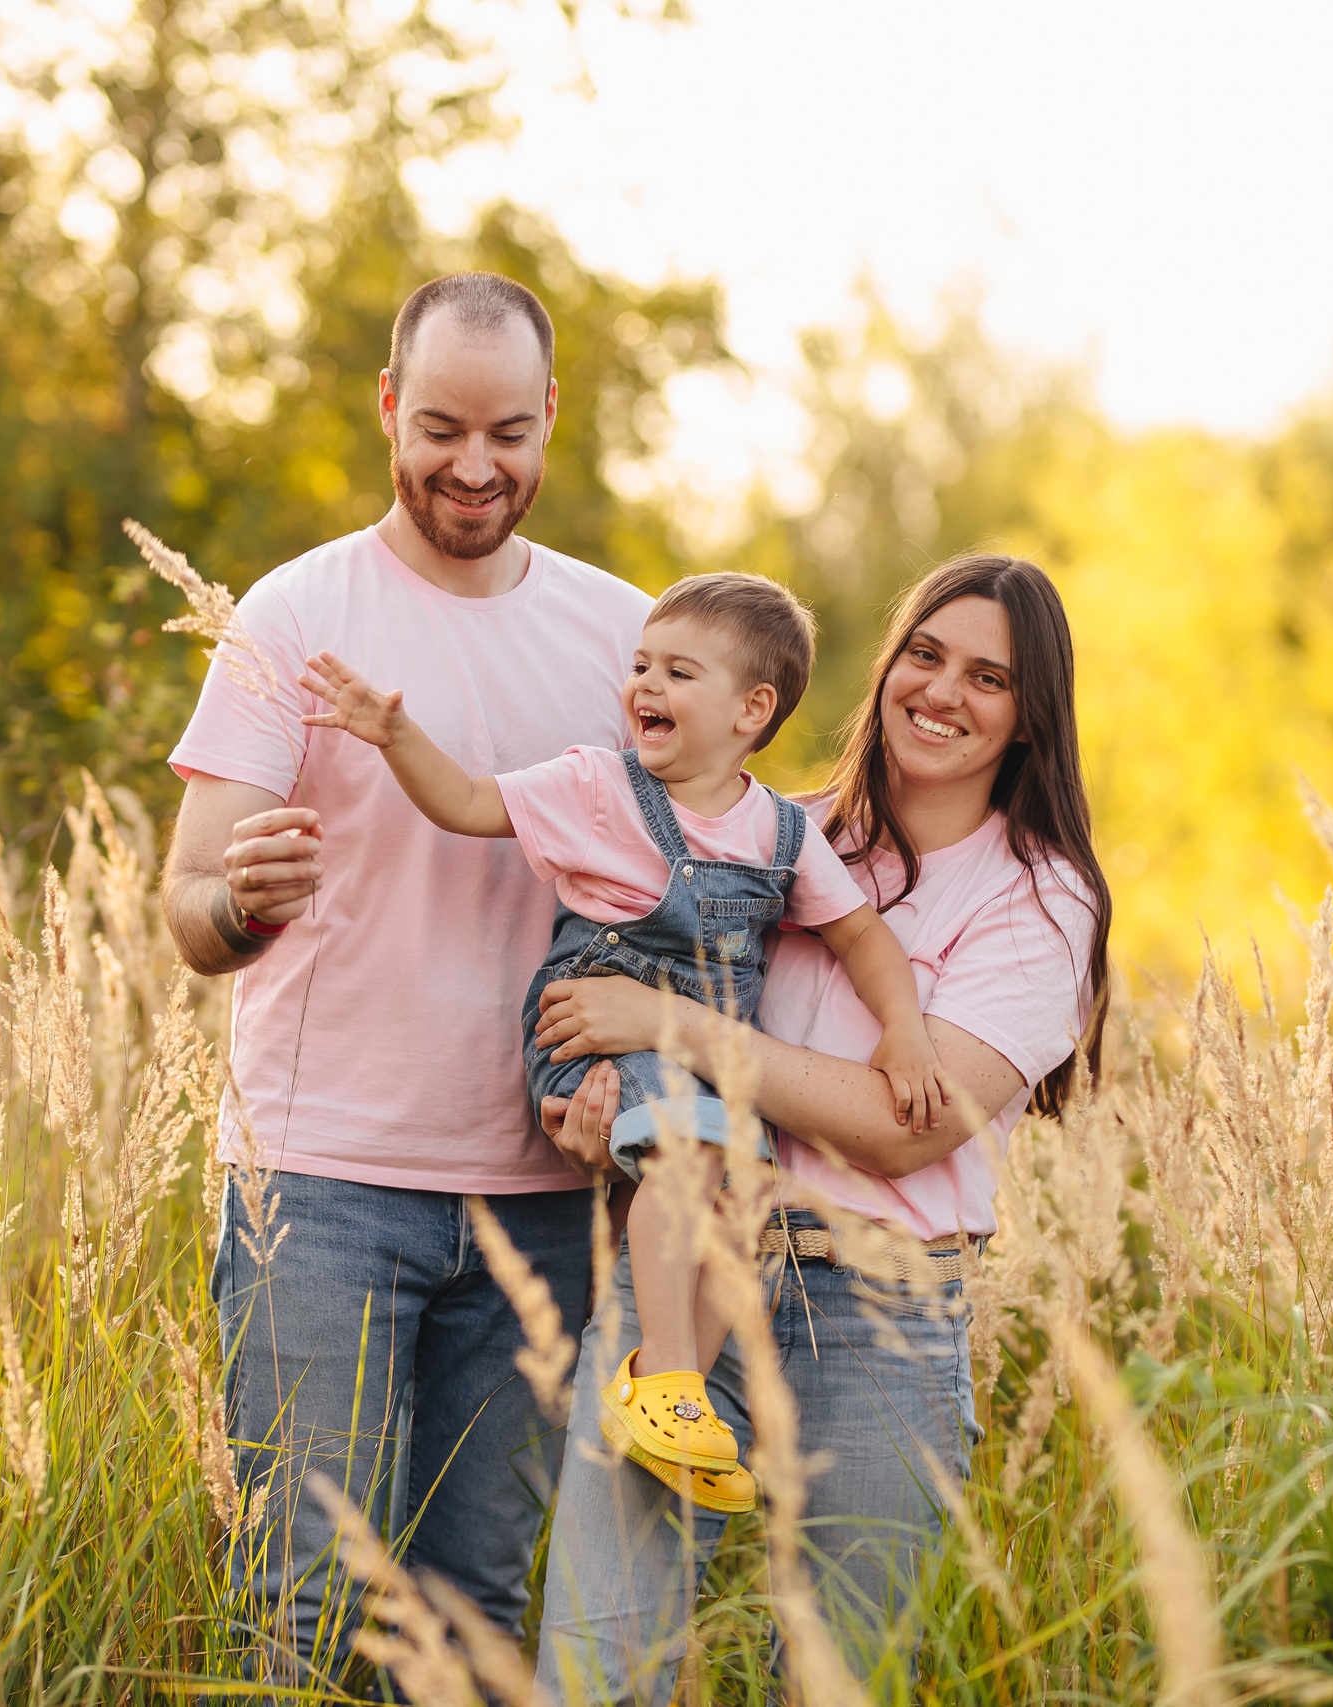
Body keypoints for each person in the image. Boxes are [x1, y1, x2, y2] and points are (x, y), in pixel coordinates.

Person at [158, 272, 650, 1685]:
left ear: (552, 416)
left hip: (542, 1199)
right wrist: (238, 904)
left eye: (508, 431)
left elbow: (692, 887)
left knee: (473, 1618)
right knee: (302, 1609)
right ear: (388, 407)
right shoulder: (293, 611)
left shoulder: (627, 638)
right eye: (440, 426)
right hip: (319, 1190)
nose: (475, 466)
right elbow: (184, 911)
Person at [526, 553, 1114, 1705]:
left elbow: (909, 1127)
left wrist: (669, 1025)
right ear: (885, 666)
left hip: (877, 1324)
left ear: (1029, 715)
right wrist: (598, 1100)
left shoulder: (1039, 898)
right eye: (924, 654)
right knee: (599, 1675)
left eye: (986, 677)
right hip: (691, 1283)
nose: (941, 691)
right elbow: (613, 991)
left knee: (839, 1685)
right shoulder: (764, 833)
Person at [293, 571, 952, 1516]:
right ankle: (672, 1381)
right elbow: (471, 803)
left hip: (699, 1057)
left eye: (679, 671)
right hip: (591, 1031)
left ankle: (668, 1393)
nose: (645, 685)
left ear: (752, 709)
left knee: (749, 1193)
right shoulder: (598, 786)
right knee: (688, 1153)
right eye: (640, 664)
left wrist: (906, 1034)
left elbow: (863, 938)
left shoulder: (784, 833)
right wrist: (398, 735)